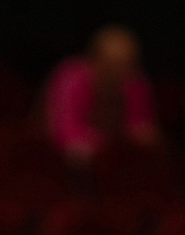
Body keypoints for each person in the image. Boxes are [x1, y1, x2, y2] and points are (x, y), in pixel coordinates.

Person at [43, 25, 158, 161]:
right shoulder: (71, 78)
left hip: (114, 162)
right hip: (60, 160)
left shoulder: (134, 82)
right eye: (112, 64)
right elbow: (64, 130)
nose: (118, 71)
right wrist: (108, 145)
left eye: (126, 64)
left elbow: (142, 127)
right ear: (94, 59)